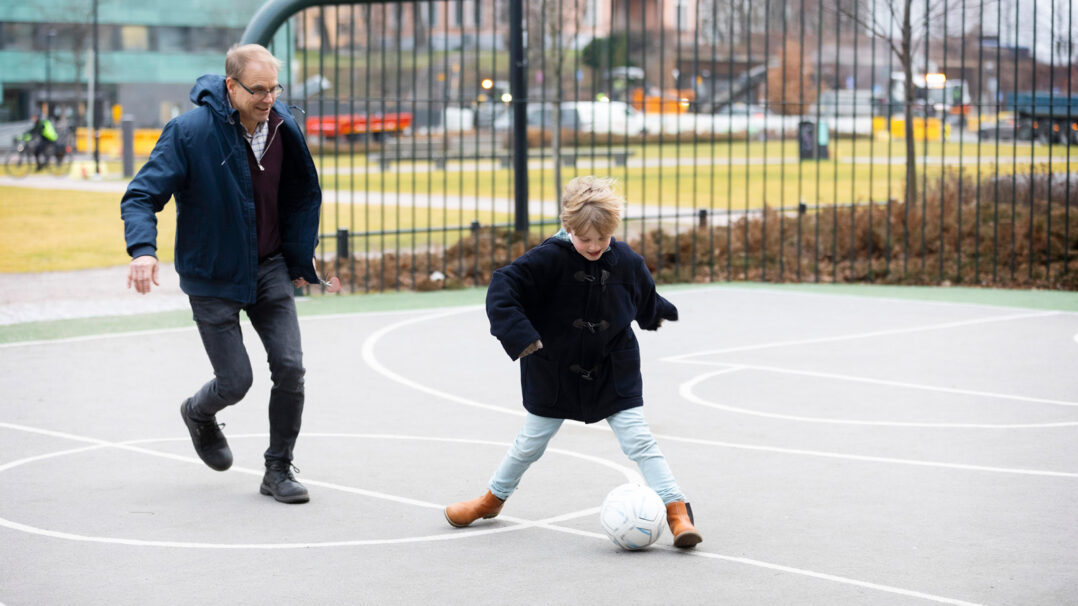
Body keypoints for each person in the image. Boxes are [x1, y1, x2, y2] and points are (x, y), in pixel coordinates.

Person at [444, 175, 703, 548]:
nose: (596, 247)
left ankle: (677, 512)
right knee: (529, 445)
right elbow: (503, 290)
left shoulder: (626, 259)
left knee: (640, 441)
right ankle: (491, 500)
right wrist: (521, 336)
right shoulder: (545, 259)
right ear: (567, 228)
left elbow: (643, 295)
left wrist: (658, 313)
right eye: (586, 240)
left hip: (614, 366)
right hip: (553, 367)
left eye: (604, 239)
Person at [121, 44, 325, 504]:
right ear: (231, 86)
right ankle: (198, 412)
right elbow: (140, 195)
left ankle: (277, 469)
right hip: (213, 274)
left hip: (269, 267)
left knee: (291, 368)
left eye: (275, 88)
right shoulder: (189, 133)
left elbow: (298, 194)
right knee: (235, 382)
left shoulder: (282, 126)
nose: (269, 98)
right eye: (258, 89)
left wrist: (297, 256)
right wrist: (143, 251)